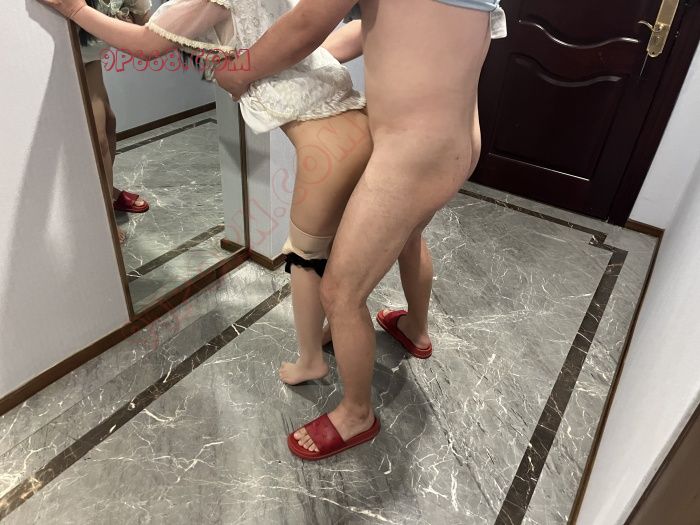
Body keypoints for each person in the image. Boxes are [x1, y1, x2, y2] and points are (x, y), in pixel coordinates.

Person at [38, 0, 437, 443]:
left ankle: (312, 362)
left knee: (307, 259)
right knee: (381, 245)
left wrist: (74, 9)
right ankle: (410, 331)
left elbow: (146, 45)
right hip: (360, 120)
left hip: (326, 147)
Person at [214, 0, 506, 459]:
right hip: (458, 138)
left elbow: (308, 23)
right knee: (409, 237)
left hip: (412, 153)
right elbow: (377, 27)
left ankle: (356, 413)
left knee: (341, 293)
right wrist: (303, 65)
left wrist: (240, 71)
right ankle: (415, 329)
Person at [80, 0, 151, 244]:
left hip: (90, 55)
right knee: (97, 138)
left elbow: (145, 31)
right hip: (67, 58)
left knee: (109, 123)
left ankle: (106, 192)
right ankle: (103, 215)